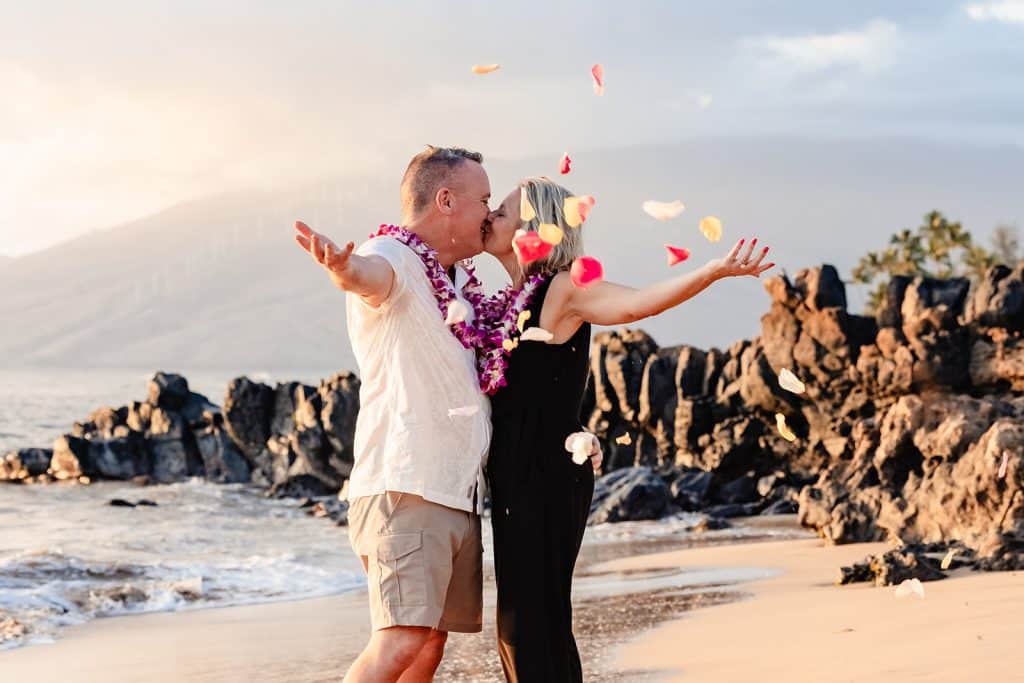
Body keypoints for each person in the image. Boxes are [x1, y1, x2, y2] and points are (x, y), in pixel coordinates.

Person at [478, 176, 774, 682]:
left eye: (501, 212)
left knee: (528, 625)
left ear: (534, 228)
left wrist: (711, 271)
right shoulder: (509, 302)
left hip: (545, 474)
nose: (489, 218)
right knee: (525, 623)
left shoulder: (564, 288)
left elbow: (640, 303)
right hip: (518, 476)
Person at [294, 145, 494, 683]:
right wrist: (344, 268)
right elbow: (370, 277)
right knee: (401, 639)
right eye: (484, 200)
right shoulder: (396, 255)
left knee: (428, 644)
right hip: (406, 481)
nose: (490, 214)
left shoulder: (455, 282)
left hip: (452, 489)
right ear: (446, 199)